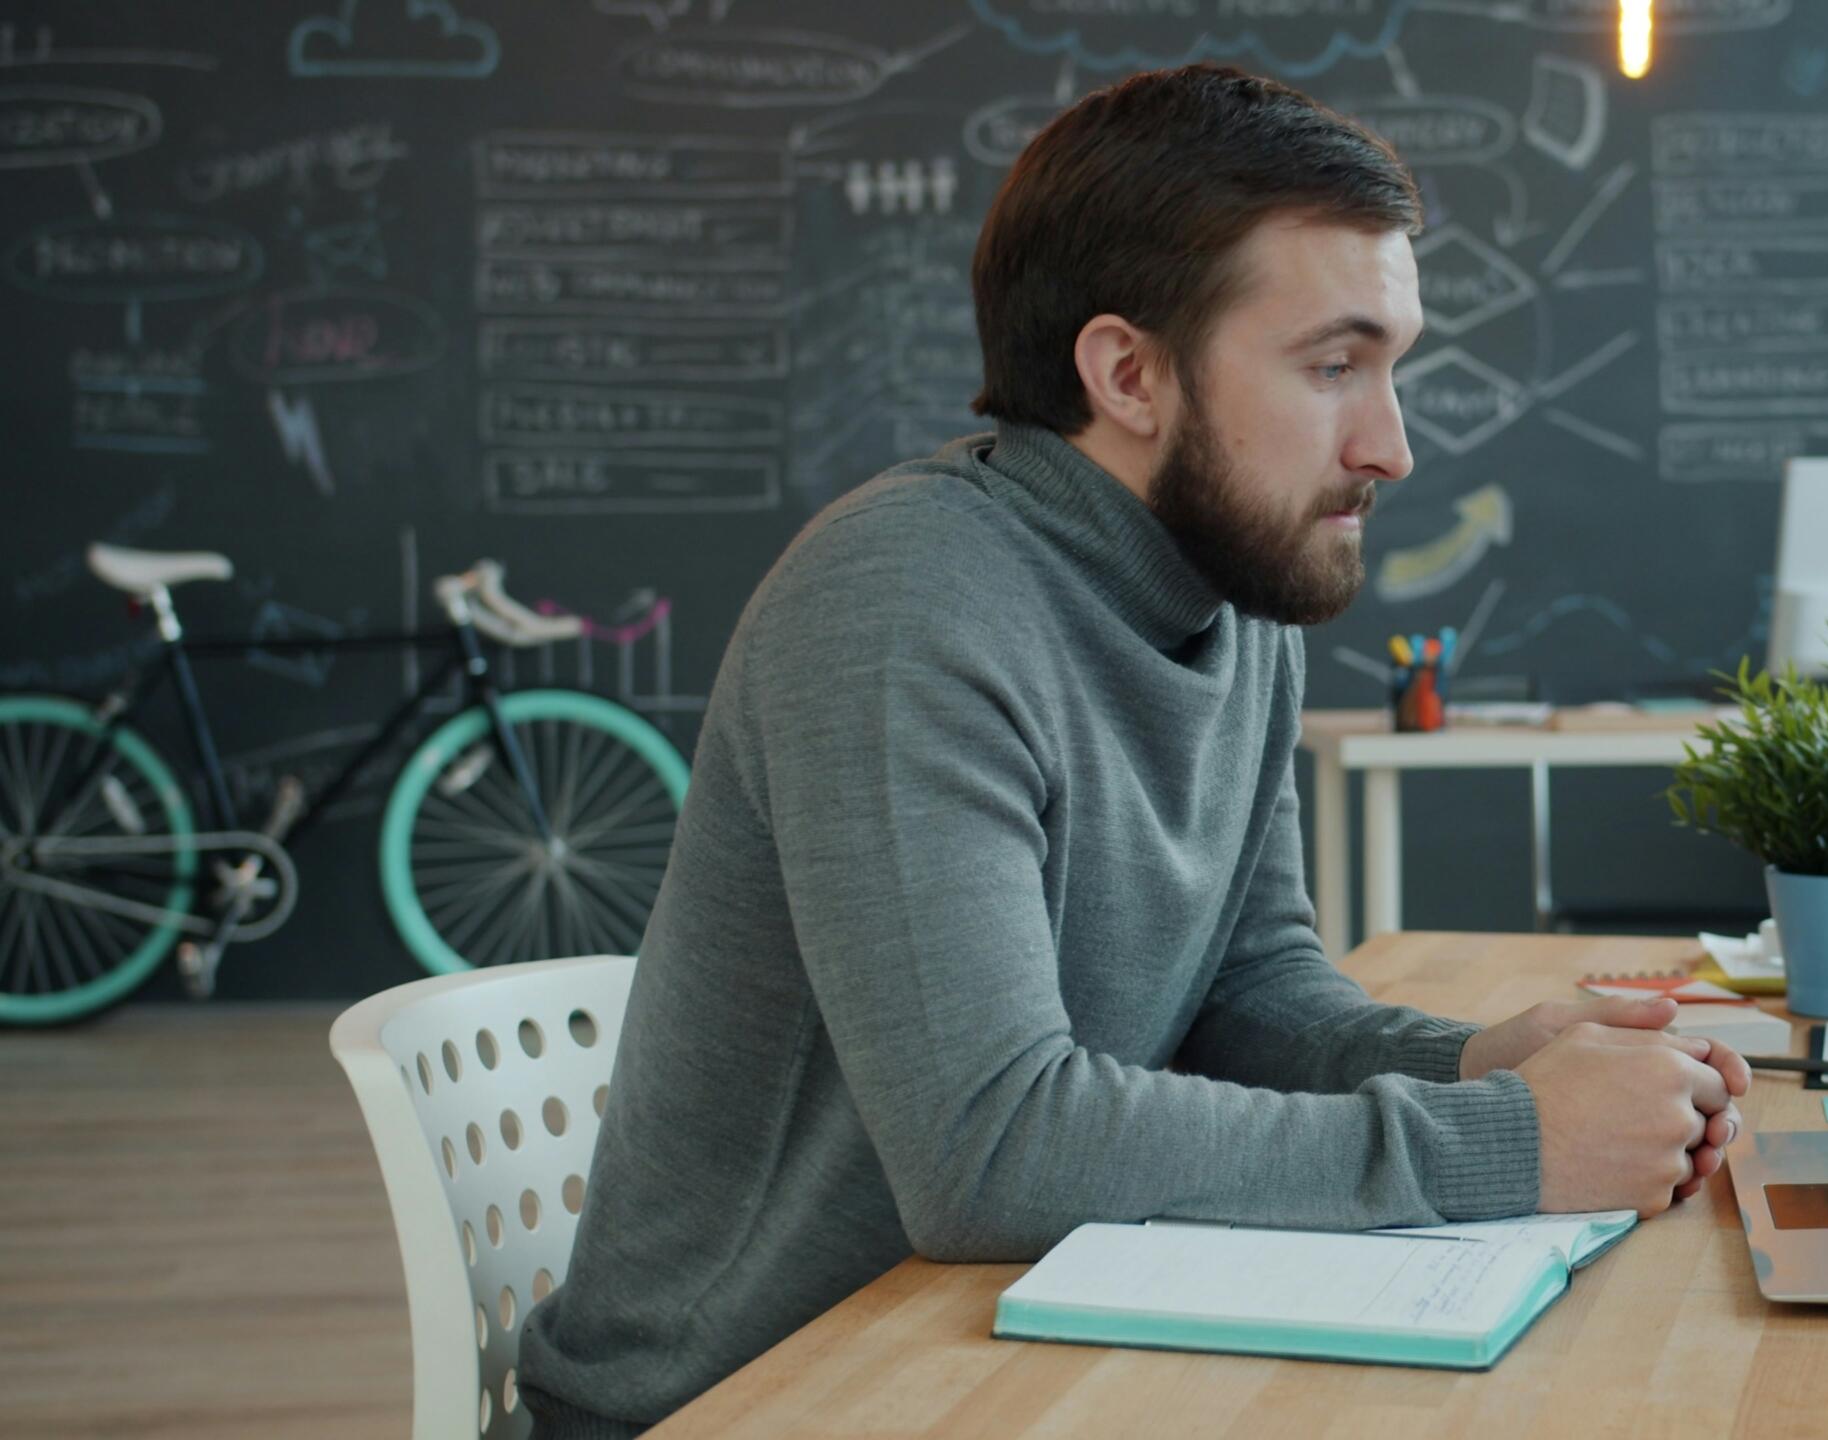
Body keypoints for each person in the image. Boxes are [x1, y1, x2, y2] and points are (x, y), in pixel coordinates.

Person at [517, 65, 1748, 1438]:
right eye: (1334, 367)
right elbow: (989, 1147)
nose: (1393, 445)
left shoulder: (1233, 590)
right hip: (741, 1399)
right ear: (1128, 375)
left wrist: (1478, 1063)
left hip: (995, 1353)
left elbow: (1250, 994)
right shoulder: (902, 604)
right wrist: (1511, 1141)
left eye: (1392, 365)